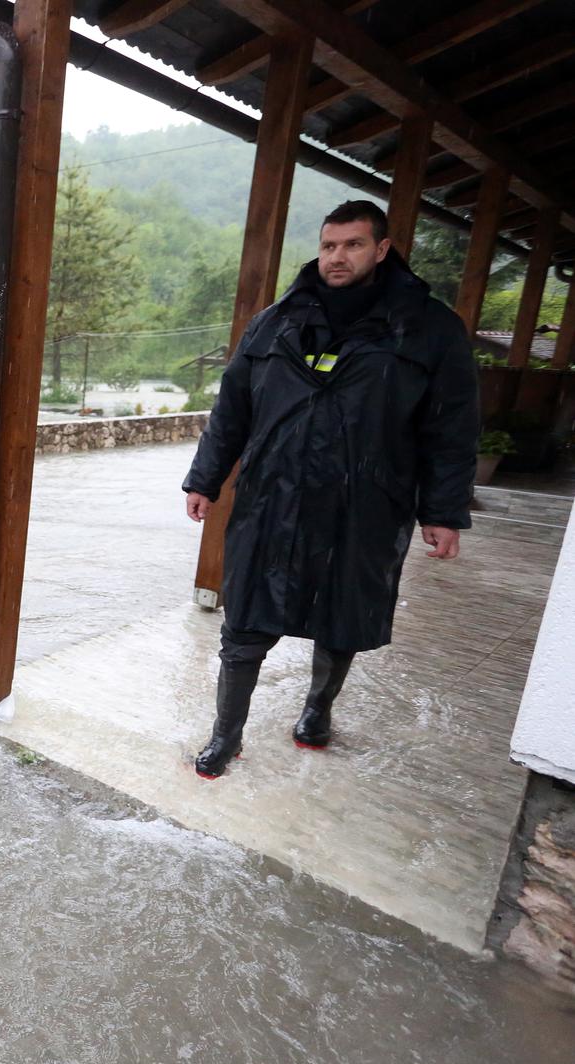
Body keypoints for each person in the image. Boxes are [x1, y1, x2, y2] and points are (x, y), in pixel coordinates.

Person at [182, 200, 478, 780]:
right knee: (244, 623)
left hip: (366, 503)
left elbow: (452, 426)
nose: (336, 257)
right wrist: (204, 478)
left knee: (341, 617)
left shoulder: (429, 328)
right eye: (328, 245)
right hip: (273, 498)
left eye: (352, 245)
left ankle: (317, 712)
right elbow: (232, 410)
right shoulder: (275, 322)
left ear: (382, 248)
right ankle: (226, 736)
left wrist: (442, 511)